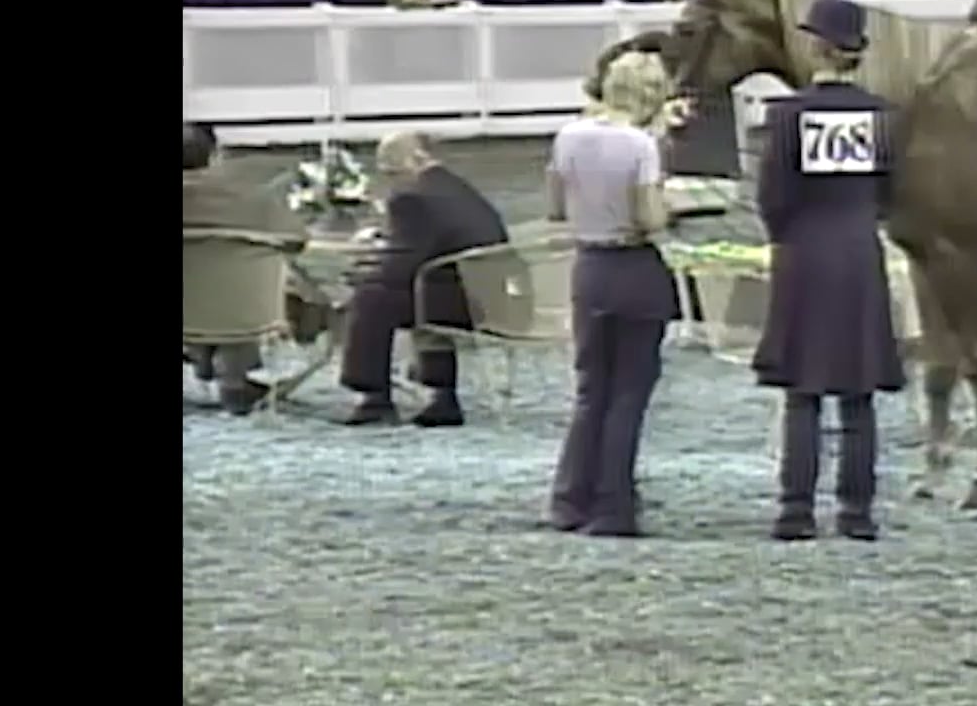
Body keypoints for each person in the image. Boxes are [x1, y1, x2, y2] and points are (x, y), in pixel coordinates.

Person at [754, 0, 905, 541]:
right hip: (860, 249)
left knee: (803, 389)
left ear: (816, 48)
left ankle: (796, 509)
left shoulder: (787, 116)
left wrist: (786, 238)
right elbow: (891, 191)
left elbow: (772, 198)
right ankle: (856, 512)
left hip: (804, 251)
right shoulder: (883, 116)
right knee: (858, 390)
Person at [545, 53, 691, 538]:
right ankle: (613, 505)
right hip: (633, 268)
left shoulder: (568, 136)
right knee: (629, 392)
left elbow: (555, 206)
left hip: (589, 266)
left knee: (592, 390)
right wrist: (671, 206)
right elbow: (649, 219)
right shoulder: (640, 146)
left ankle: (570, 499)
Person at [337, 132, 512, 428]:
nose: (391, 182)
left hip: (453, 301)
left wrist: (365, 272)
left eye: (392, 173)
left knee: (371, 298)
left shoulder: (411, 197)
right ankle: (441, 394)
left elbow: (401, 265)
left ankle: (373, 397)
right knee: (414, 292)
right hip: (490, 298)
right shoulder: (458, 187)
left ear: (413, 161)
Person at [182, 123, 310, 415]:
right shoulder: (252, 198)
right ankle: (235, 377)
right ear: (215, 155)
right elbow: (297, 239)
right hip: (245, 314)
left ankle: (209, 361)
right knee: (295, 293)